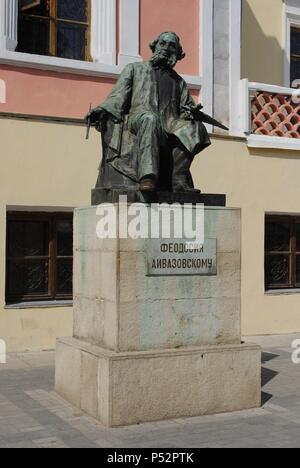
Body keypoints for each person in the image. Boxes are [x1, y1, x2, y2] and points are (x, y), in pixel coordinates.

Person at [86, 32, 211, 193]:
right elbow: (118, 96)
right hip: (138, 118)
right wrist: (101, 110)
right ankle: (148, 177)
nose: (166, 48)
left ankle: (178, 178)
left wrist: (190, 113)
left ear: (177, 54)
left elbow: (186, 107)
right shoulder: (134, 69)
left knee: (195, 128)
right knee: (150, 119)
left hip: (170, 123)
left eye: (172, 46)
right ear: (155, 46)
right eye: (163, 43)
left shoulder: (178, 81)